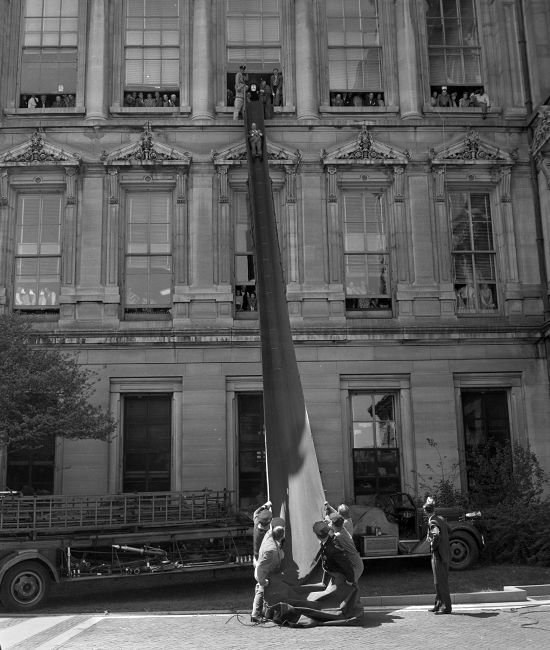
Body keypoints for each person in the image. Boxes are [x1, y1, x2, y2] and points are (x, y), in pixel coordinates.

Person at [251, 523, 285, 623]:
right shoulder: (271, 550)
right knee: (261, 590)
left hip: (264, 570)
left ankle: (262, 612)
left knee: (262, 591)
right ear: (281, 536)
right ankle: (255, 615)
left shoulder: (269, 535)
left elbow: (271, 527)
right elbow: (261, 567)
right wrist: (262, 581)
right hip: (262, 572)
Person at [423, 496, 452, 615]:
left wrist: (432, 544)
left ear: (426, 511)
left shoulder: (433, 522)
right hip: (445, 554)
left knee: (441, 582)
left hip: (438, 555)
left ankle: (446, 607)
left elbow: (437, 536)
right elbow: (449, 530)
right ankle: (438, 604)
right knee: (438, 581)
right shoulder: (440, 519)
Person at [312, 521, 355, 586]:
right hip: (329, 573)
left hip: (337, 577)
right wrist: (315, 560)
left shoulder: (334, 548)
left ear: (317, 536)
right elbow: (322, 550)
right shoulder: (325, 542)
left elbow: (347, 566)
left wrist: (350, 581)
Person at [328, 513, 364, 583]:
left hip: (355, 565)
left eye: (331, 523)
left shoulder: (339, 536)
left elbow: (329, 536)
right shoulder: (343, 529)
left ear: (333, 525)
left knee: (348, 585)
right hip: (357, 562)